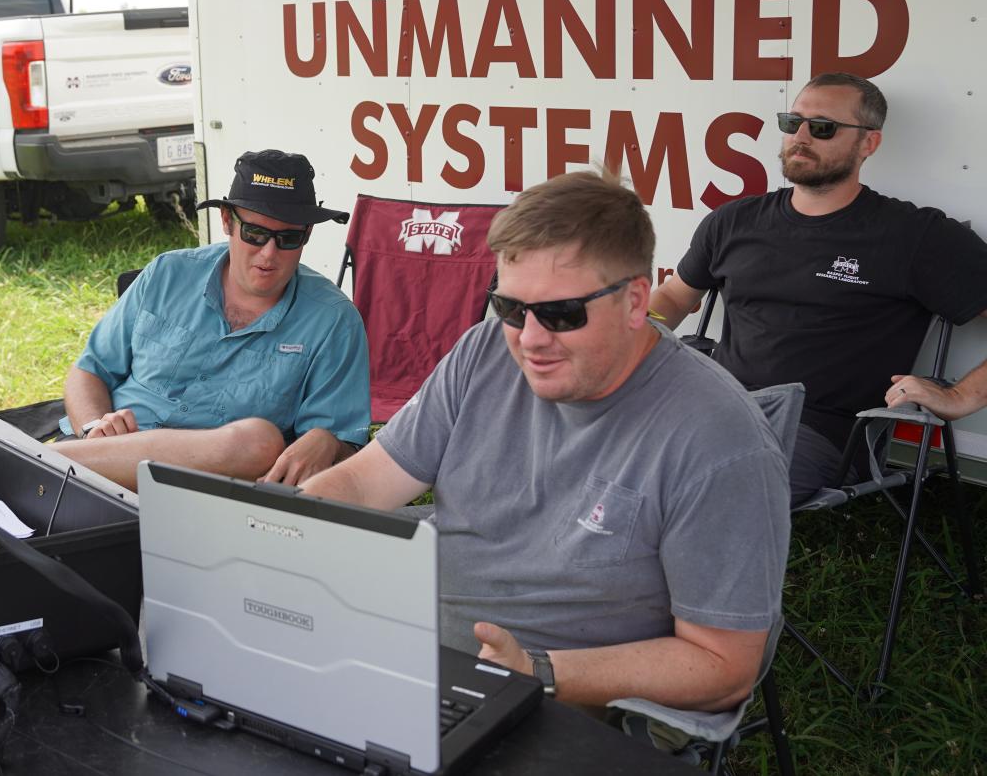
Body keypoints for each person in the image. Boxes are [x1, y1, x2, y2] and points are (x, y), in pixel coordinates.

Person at [304, 168, 789, 720]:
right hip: (399, 643)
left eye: (562, 314)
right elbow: (368, 480)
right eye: (510, 308)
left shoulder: (716, 439)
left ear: (636, 301)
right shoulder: (485, 351)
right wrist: (287, 526)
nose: (530, 339)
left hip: (556, 698)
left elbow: (724, 665)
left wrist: (540, 673)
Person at [649, 73, 987, 503]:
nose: (801, 137)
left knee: (688, 479)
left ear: (869, 144)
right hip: (716, 405)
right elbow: (675, 298)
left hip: (819, 432)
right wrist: (631, 339)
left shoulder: (913, 236)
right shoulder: (734, 220)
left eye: (822, 127)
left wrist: (959, 397)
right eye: (793, 123)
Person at [56, 149, 370, 491]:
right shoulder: (168, 273)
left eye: (288, 239)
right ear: (226, 221)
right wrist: (93, 429)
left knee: (258, 442)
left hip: (209, 488)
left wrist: (329, 442)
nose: (268, 253)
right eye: (254, 233)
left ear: (307, 235)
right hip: (104, 462)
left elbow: (338, 448)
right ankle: (70, 463)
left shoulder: (333, 320)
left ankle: (53, 463)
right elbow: (89, 370)